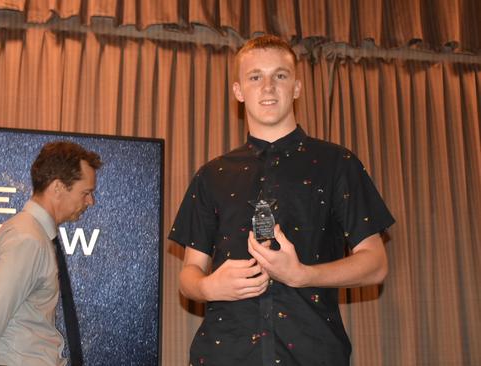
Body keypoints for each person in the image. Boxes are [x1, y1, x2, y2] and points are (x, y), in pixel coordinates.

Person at [169, 34, 395, 365]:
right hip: (224, 354)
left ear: (297, 88)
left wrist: (302, 274)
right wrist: (209, 288)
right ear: (238, 91)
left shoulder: (338, 164)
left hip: (312, 354)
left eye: (280, 75)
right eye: (255, 76)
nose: (268, 87)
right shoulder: (210, 175)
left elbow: (376, 264)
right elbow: (189, 273)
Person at [0, 141, 102, 366]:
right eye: (86, 192)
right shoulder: (28, 240)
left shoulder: (31, 234)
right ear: (57, 188)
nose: (90, 202)